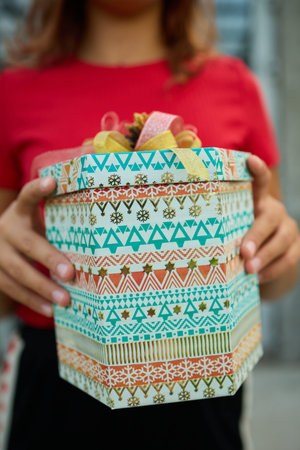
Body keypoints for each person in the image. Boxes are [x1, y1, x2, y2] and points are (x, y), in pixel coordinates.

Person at [0, 0, 299, 449]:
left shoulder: (234, 83)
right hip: (60, 377)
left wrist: (282, 248)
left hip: (204, 378)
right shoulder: (13, 92)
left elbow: (276, 280)